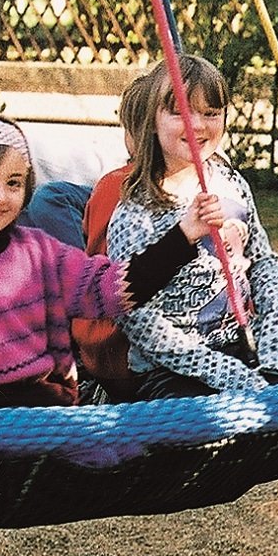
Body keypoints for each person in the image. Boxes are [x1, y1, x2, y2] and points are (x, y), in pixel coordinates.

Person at [0, 113, 219, 407]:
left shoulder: (41, 252)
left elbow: (113, 289)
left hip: (42, 407)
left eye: (13, 183)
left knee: (118, 455)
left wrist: (182, 235)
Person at [106, 54, 278, 397]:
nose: (197, 125)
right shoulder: (135, 213)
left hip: (244, 344)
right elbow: (135, 316)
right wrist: (222, 371)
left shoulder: (231, 184)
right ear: (152, 121)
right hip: (173, 366)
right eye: (180, 112)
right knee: (211, 432)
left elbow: (263, 264)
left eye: (211, 113)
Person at [70, 71, 154, 400]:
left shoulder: (115, 186)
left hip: (115, 351)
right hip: (203, 335)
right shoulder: (214, 182)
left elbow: (95, 253)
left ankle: (97, 390)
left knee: (51, 202)